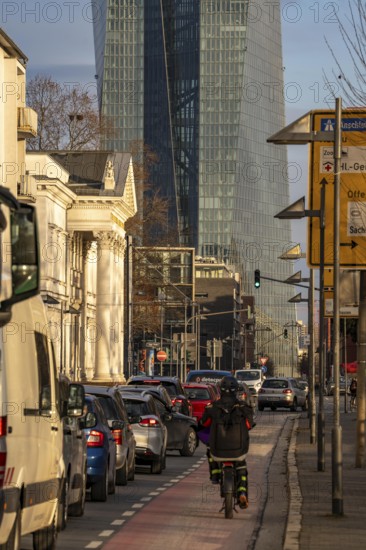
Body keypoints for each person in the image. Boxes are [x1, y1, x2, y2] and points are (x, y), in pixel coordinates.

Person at [198, 375, 254, 510]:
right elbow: (249, 424)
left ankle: (216, 474)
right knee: (241, 467)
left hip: (218, 450)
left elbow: (204, 423)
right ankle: (242, 492)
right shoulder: (243, 407)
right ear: (236, 390)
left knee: (209, 450)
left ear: (220, 390)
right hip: (238, 449)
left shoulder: (212, 407)